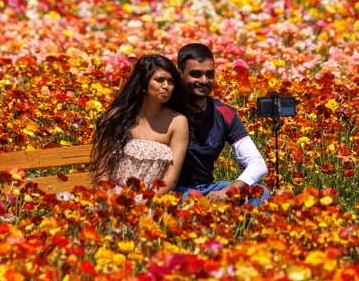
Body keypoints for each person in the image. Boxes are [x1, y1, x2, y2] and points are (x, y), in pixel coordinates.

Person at [174, 43, 270, 205]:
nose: (204, 81)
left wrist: (229, 191)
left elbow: (257, 163)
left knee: (259, 193)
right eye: (195, 74)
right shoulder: (167, 109)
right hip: (174, 190)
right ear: (180, 73)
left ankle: (247, 230)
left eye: (209, 74)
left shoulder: (224, 114)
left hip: (208, 188)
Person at [92, 54, 190, 195]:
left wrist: (145, 202)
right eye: (159, 80)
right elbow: (103, 173)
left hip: (151, 198)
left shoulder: (178, 122)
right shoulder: (118, 116)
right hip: (114, 197)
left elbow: (171, 178)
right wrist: (111, 200)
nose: (166, 86)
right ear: (143, 84)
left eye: (171, 81)